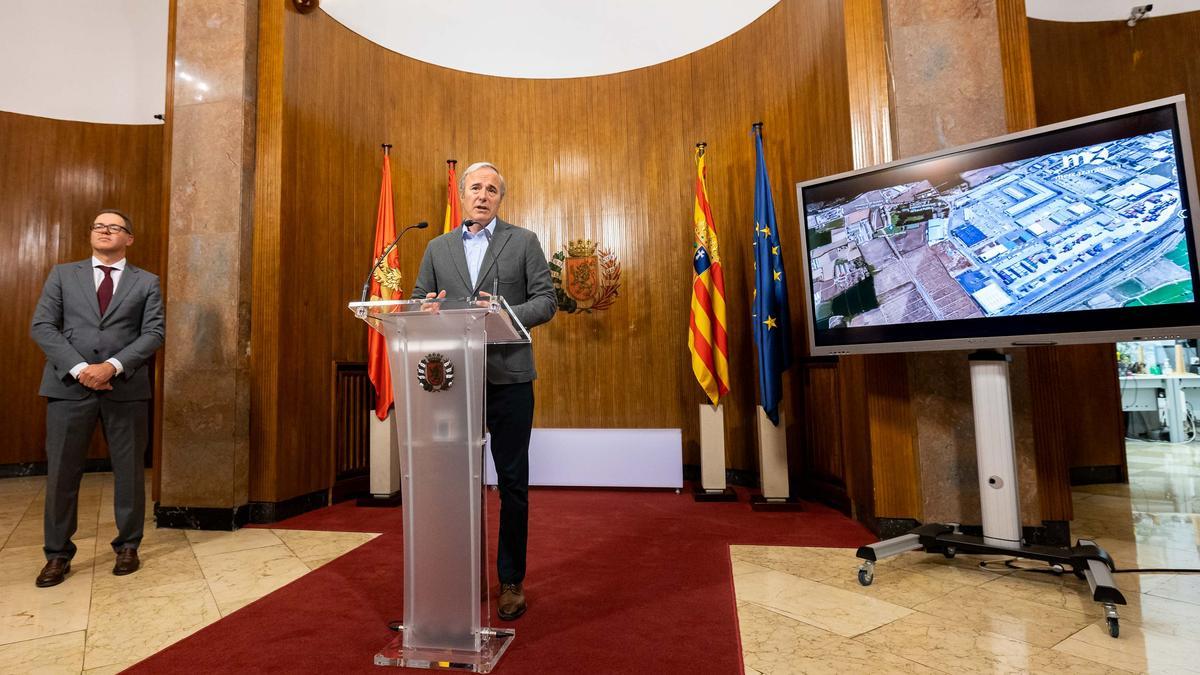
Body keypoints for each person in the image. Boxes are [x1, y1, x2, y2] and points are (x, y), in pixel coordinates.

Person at [412, 162, 556, 620]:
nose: (483, 195)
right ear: (461, 193)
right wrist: (426, 309)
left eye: (492, 189)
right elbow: (419, 299)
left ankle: (511, 580)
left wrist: (505, 312)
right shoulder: (437, 248)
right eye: (475, 187)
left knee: (512, 484)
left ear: (500, 199)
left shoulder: (524, 242)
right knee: (453, 483)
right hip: (452, 380)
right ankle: (460, 574)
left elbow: (546, 301)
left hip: (510, 379)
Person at [30, 209, 165, 587]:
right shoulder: (62, 274)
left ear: (129, 238)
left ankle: (127, 545)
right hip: (68, 387)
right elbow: (42, 326)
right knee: (61, 474)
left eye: (114, 227)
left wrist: (112, 366)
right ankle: (56, 554)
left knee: (129, 473)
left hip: (125, 389)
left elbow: (153, 332)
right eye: (98, 226)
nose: (105, 231)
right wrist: (80, 369)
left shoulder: (147, 282)